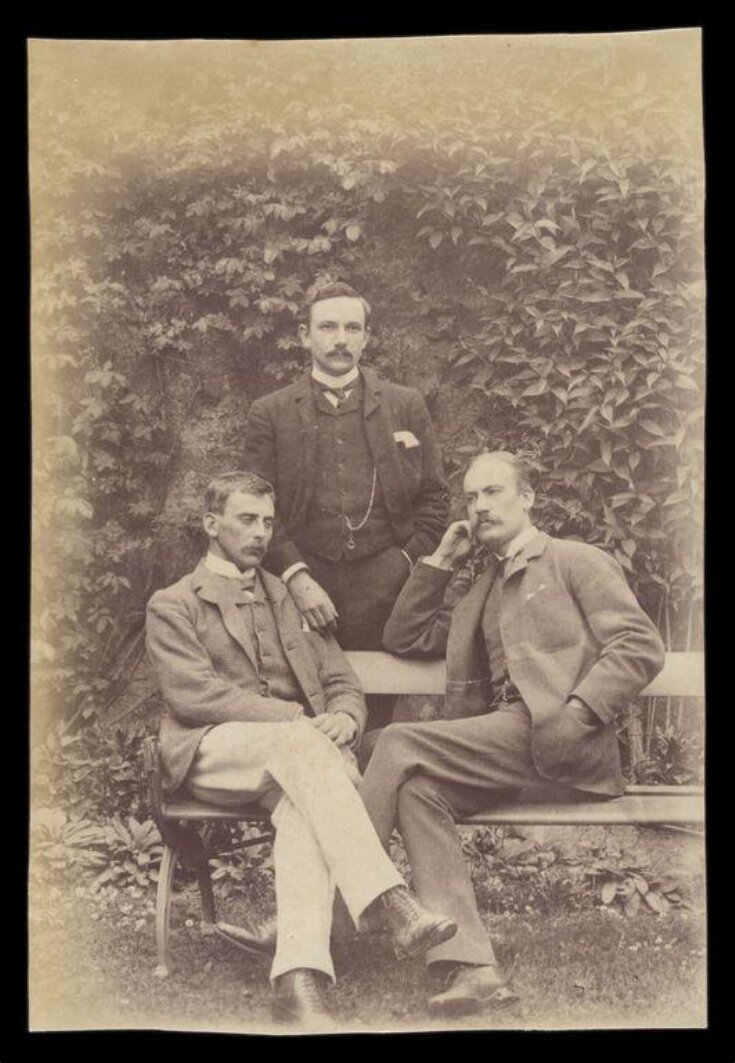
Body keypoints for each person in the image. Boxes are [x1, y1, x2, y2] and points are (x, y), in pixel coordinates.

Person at [145, 471, 457, 1028]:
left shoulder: (288, 596)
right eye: (247, 519)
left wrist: (345, 717)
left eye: (268, 522)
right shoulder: (173, 603)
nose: (260, 533)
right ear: (211, 524)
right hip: (210, 752)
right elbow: (194, 695)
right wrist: (298, 720)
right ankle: (389, 899)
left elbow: (341, 678)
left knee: (302, 812)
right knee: (304, 747)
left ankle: (297, 979)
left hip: (298, 761)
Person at [359, 451, 666, 1016]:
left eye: (493, 492)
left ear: (528, 498)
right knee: (418, 791)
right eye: (471, 497)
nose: (479, 507)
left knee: (397, 741)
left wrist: (577, 714)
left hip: (562, 742)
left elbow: (639, 645)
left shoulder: (574, 560)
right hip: (505, 749)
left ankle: (325, 917)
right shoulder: (480, 589)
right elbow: (403, 638)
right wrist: (442, 560)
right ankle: (475, 967)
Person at [243, 281, 449, 729]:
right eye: (328, 327)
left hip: (388, 587)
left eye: (352, 328)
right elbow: (257, 510)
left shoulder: (405, 405)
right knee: (307, 709)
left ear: (366, 337)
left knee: (375, 719)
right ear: (305, 335)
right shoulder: (271, 412)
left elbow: (435, 500)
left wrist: (404, 561)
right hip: (302, 585)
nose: (341, 339)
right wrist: (296, 578)